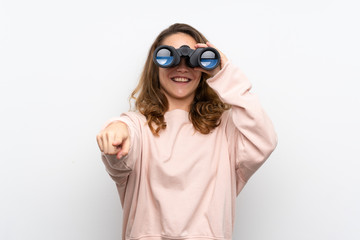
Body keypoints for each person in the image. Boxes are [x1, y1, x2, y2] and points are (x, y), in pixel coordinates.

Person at [96, 23, 277, 240]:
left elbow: (263, 139)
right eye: (169, 57)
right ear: (156, 66)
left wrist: (225, 74)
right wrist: (116, 131)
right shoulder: (137, 127)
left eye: (193, 59)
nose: (182, 67)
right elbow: (122, 147)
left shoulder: (226, 130)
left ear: (204, 66)